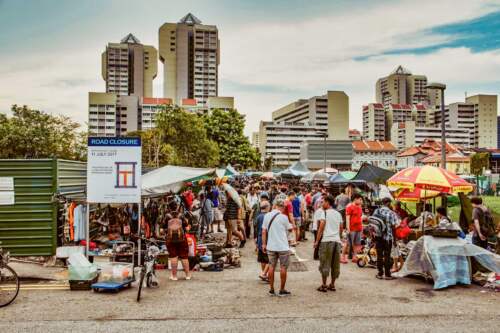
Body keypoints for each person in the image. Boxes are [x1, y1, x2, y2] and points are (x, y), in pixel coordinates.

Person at [262, 199, 293, 297]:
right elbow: (290, 229)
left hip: (271, 246)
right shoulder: (284, 217)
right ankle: (282, 290)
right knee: (283, 267)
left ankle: (271, 289)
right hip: (283, 246)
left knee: (271, 266)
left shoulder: (267, 216)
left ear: (275, 205)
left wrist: (263, 244)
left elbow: (264, 231)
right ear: (282, 207)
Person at [314, 194, 343, 292]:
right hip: (337, 241)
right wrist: (338, 237)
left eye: (323, 202)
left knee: (325, 262)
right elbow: (341, 228)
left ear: (327, 202)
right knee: (335, 264)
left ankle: (324, 285)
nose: (322, 204)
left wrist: (317, 241)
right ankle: (333, 284)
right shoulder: (338, 214)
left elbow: (321, 228)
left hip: (326, 241)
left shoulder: (324, 213)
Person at [372, 197, 400, 280]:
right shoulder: (391, 213)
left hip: (378, 237)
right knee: (387, 256)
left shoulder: (376, 211)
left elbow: (373, 224)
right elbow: (393, 227)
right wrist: (395, 239)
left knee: (379, 256)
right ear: (388, 203)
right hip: (388, 238)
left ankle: (380, 273)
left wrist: (373, 236)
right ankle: (387, 274)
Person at [166, 209, 192, 281]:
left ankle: (174, 276)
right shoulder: (181, 216)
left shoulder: (167, 216)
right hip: (182, 239)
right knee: (184, 257)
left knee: (173, 257)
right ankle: (187, 275)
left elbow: (161, 230)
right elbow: (187, 229)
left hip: (170, 240)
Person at [344, 193, 363, 263]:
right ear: (355, 199)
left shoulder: (360, 207)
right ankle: (343, 256)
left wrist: (362, 227)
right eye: (360, 199)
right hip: (352, 228)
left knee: (356, 243)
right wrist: (348, 228)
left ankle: (354, 256)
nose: (361, 201)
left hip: (358, 227)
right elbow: (347, 218)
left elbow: (360, 217)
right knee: (348, 243)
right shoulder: (349, 207)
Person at [256, 200, 271, 282]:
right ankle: (266, 274)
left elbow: (257, 229)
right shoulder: (268, 216)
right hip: (266, 238)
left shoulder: (258, 216)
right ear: (267, 207)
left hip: (259, 238)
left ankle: (264, 274)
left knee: (262, 259)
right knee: (270, 258)